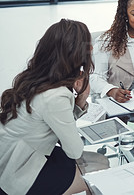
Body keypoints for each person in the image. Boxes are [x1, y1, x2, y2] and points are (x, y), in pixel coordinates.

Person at [0, 19, 93, 194]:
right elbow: (74, 150)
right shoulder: (56, 95)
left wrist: (77, 103)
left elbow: (54, 124)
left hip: (11, 157)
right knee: (99, 172)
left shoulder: (34, 77)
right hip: (19, 173)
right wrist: (81, 98)